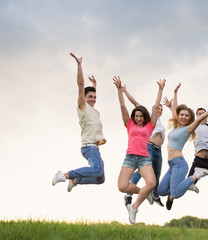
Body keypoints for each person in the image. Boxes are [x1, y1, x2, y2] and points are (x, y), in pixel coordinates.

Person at [158, 83, 208, 210]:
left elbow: (198, 120)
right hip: (171, 165)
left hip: (179, 163)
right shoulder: (176, 126)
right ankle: (182, 185)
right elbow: (175, 108)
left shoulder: (188, 129)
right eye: (182, 115)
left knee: (175, 193)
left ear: (190, 118)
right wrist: (175, 93)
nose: (184, 117)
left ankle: (197, 174)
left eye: (187, 115)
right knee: (161, 191)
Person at [113, 76, 165, 224]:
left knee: (151, 183)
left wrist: (160, 90)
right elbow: (123, 107)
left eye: (141, 116)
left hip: (144, 158)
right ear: (134, 117)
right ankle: (144, 193)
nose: (139, 118)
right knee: (122, 187)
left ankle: (134, 208)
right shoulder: (129, 124)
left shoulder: (150, 126)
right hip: (130, 158)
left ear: (145, 117)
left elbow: (155, 108)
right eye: (137, 116)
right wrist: (119, 90)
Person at [52, 52, 106, 192]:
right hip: (88, 147)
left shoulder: (93, 111)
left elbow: (91, 96)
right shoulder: (83, 108)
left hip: (94, 148)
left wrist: (94, 85)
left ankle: (76, 180)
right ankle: (65, 175)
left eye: (95, 97)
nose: (93, 99)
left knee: (100, 178)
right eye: (90, 97)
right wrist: (79, 64)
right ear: (83, 97)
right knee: (97, 170)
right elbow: (81, 85)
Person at [122, 84, 166, 207]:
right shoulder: (148, 119)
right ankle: (129, 194)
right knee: (142, 171)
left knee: (156, 173)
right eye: (158, 109)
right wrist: (125, 91)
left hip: (159, 150)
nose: (159, 110)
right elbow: (135, 102)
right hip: (150, 147)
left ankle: (155, 195)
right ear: (152, 110)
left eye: (162, 110)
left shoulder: (160, 122)